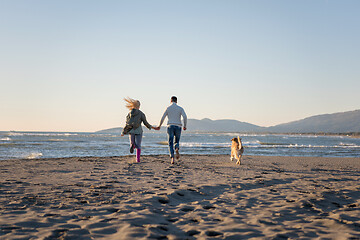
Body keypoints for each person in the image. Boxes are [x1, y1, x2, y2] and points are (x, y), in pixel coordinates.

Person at [121, 97, 157, 163]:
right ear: (139, 106)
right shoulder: (141, 113)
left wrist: (123, 131)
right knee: (139, 145)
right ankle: (138, 159)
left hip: (131, 131)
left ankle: (132, 145)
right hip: (139, 131)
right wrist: (153, 127)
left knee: (132, 143)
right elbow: (146, 123)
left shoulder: (129, 114)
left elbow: (127, 123)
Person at [156, 96, 187, 164]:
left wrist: (159, 125)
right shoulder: (180, 108)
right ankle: (176, 148)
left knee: (170, 142)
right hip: (178, 126)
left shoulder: (168, 108)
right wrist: (185, 125)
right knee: (177, 140)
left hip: (170, 126)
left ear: (170, 101)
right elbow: (185, 116)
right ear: (176, 101)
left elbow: (163, 117)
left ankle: (172, 158)